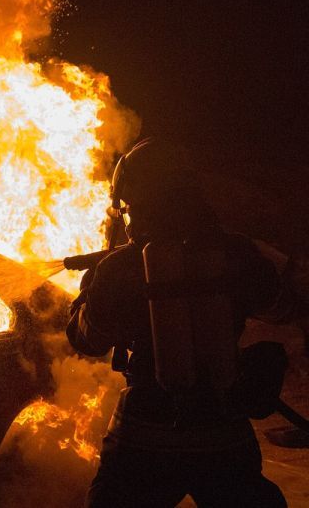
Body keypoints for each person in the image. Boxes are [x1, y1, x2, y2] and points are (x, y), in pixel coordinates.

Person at [67, 138, 306, 507]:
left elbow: (88, 340)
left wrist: (86, 293)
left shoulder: (118, 268)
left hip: (143, 435)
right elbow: (283, 309)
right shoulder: (235, 253)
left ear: (134, 202)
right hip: (223, 430)